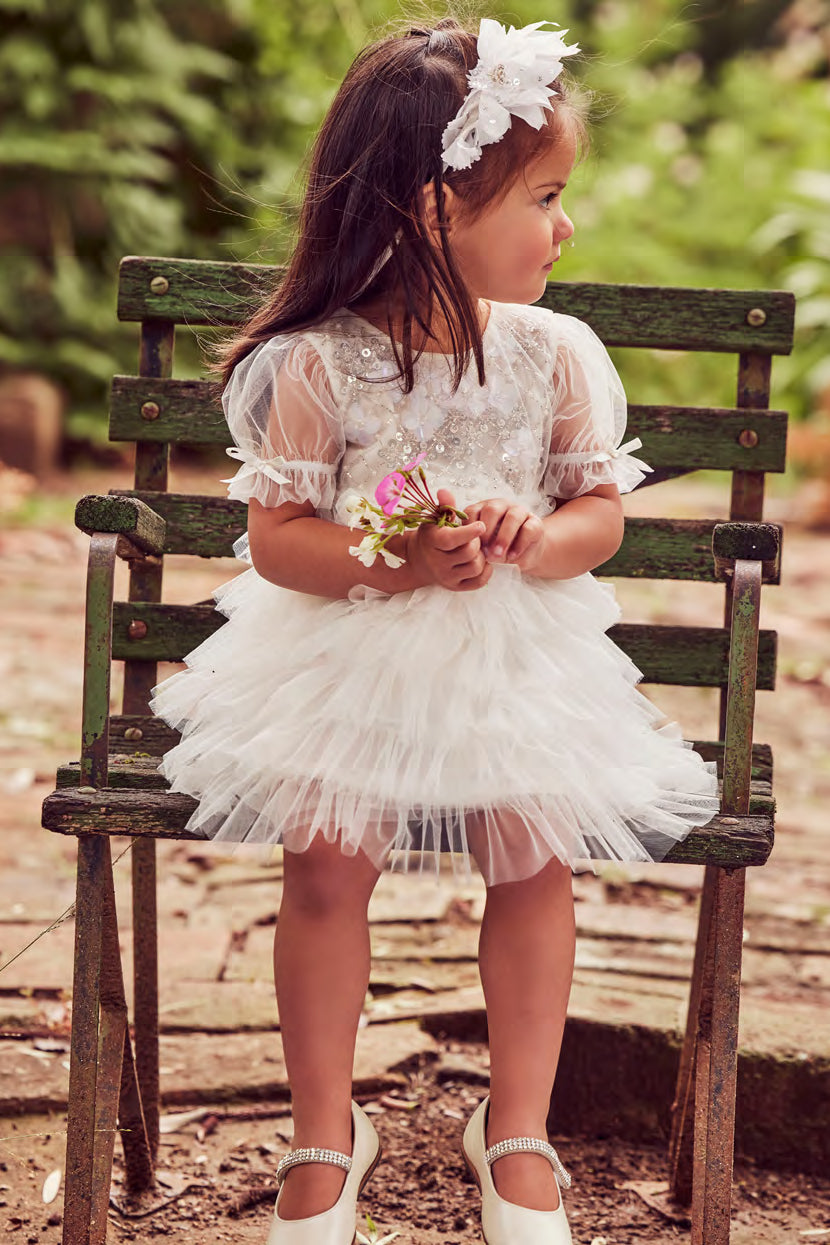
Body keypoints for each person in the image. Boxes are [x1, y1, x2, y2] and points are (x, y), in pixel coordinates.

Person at [150, 15, 720, 1245]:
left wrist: (537, 538)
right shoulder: (317, 365)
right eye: (545, 197)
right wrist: (393, 558)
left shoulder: (553, 352)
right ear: (428, 209)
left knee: (530, 852)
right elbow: (277, 541)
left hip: (509, 653)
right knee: (323, 860)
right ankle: (321, 1131)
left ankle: (515, 1127)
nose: (564, 227)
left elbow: (598, 515)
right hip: (349, 646)